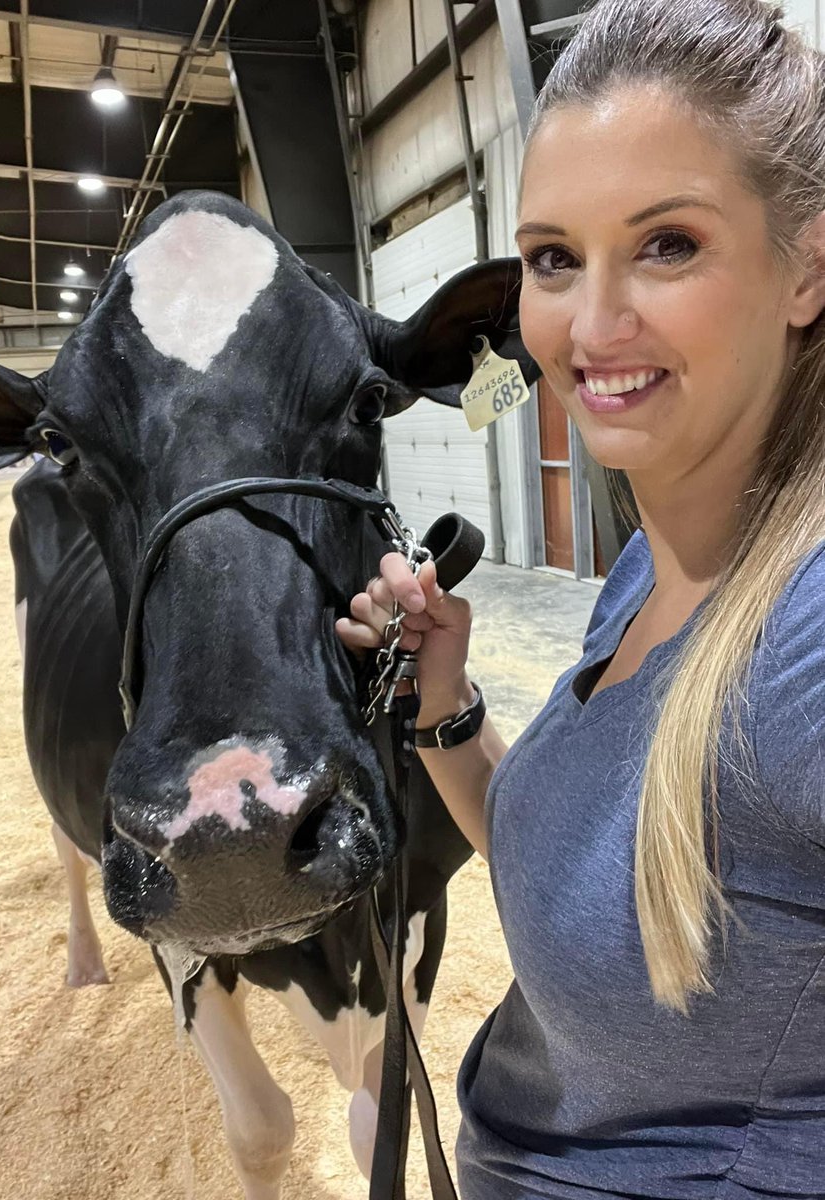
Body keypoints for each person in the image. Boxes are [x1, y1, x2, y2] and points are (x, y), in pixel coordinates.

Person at [337, 0, 825, 1195]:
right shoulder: (651, 566)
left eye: (668, 244)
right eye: (554, 258)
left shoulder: (804, 641)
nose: (591, 326)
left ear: (807, 269)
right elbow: (570, 852)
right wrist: (448, 705)